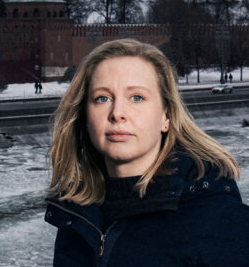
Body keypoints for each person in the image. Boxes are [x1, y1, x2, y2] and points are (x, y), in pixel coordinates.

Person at [45, 39, 249, 266]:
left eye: (137, 97)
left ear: (166, 116)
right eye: (102, 98)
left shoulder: (216, 218)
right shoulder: (77, 218)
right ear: (85, 115)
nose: (117, 113)